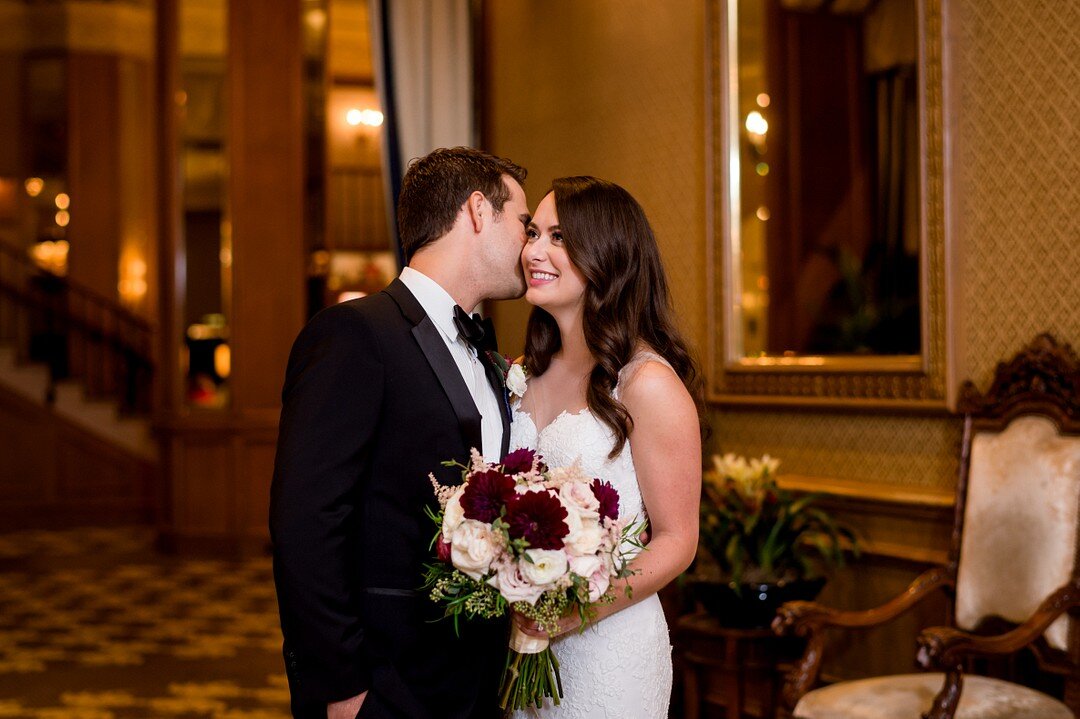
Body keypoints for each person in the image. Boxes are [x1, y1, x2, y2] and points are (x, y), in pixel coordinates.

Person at [270, 147, 531, 719]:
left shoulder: (487, 354)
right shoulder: (355, 335)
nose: (530, 243)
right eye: (524, 222)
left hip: (472, 683)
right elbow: (307, 522)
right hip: (385, 685)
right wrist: (342, 689)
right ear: (479, 211)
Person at [509, 176, 702, 718]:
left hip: (610, 653)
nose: (534, 251)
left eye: (559, 237)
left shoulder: (647, 384)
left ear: (607, 255)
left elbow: (677, 539)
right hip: (522, 647)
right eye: (532, 233)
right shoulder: (521, 374)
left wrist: (577, 611)